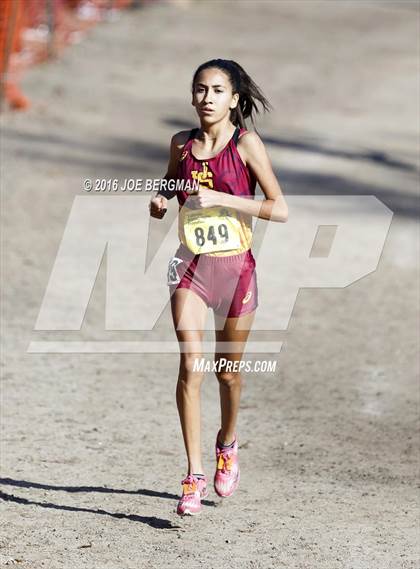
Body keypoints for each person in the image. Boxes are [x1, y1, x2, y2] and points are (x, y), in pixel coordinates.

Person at [149, 58, 288, 516]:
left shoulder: (246, 144)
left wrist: (225, 198)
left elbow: (279, 208)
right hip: (191, 266)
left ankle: (227, 442)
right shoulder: (181, 143)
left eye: (216, 91)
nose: (207, 98)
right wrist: (162, 196)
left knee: (228, 372)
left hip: (236, 272)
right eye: (200, 90)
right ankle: (192, 475)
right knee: (192, 366)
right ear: (192, 97)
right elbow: (174, 179)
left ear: (233, 99)